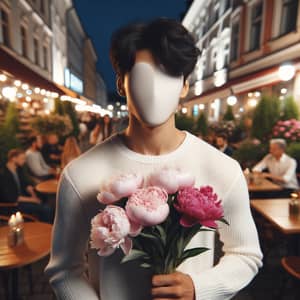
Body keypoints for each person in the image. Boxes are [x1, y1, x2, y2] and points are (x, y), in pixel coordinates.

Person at [45, 18, 262, 300]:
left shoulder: (221, 168)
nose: (155, 90)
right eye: (142, 76)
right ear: (121, 84)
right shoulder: (81, 173)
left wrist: (200, 288)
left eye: (170, 75)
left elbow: (246, 255)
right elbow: (64, 270)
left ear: (184, 86)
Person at [0, 149, 54, 223]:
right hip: (12, 205)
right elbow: (13, 198)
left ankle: (41, 223)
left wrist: (33, 195)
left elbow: (26, 184)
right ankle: (45, 227)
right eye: (22, 159)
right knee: (47, 209)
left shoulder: (18, 169)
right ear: (13, 158)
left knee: (45, 199)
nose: (24, 161)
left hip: (22, 198)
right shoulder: (4, 174)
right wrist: (33, 200)